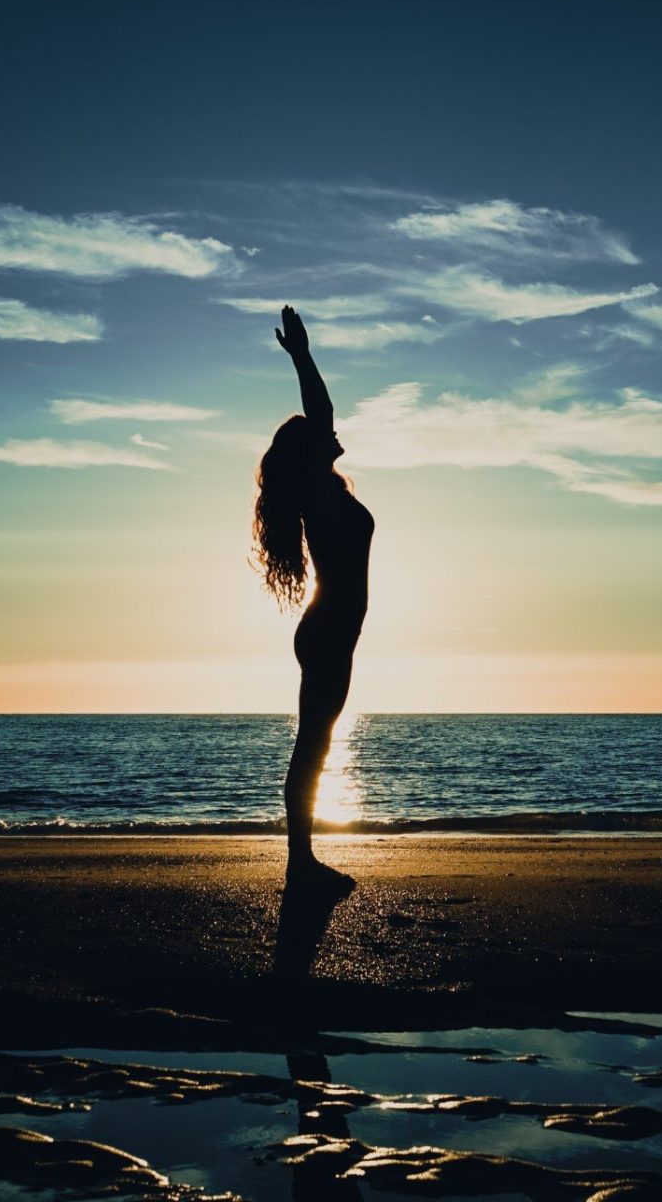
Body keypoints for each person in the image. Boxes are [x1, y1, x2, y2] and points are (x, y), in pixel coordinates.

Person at [254, 306, 370, 891]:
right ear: (311, 452)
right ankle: (301, 865)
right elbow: (321, 412)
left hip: (329, 630)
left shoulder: (325, 494)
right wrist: (302, 355)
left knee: (316, 741)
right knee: (313, 744)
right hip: (327, 632)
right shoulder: (319, 497)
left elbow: (321, 420)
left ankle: (303, 861)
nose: (333, 432)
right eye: (321, 434)